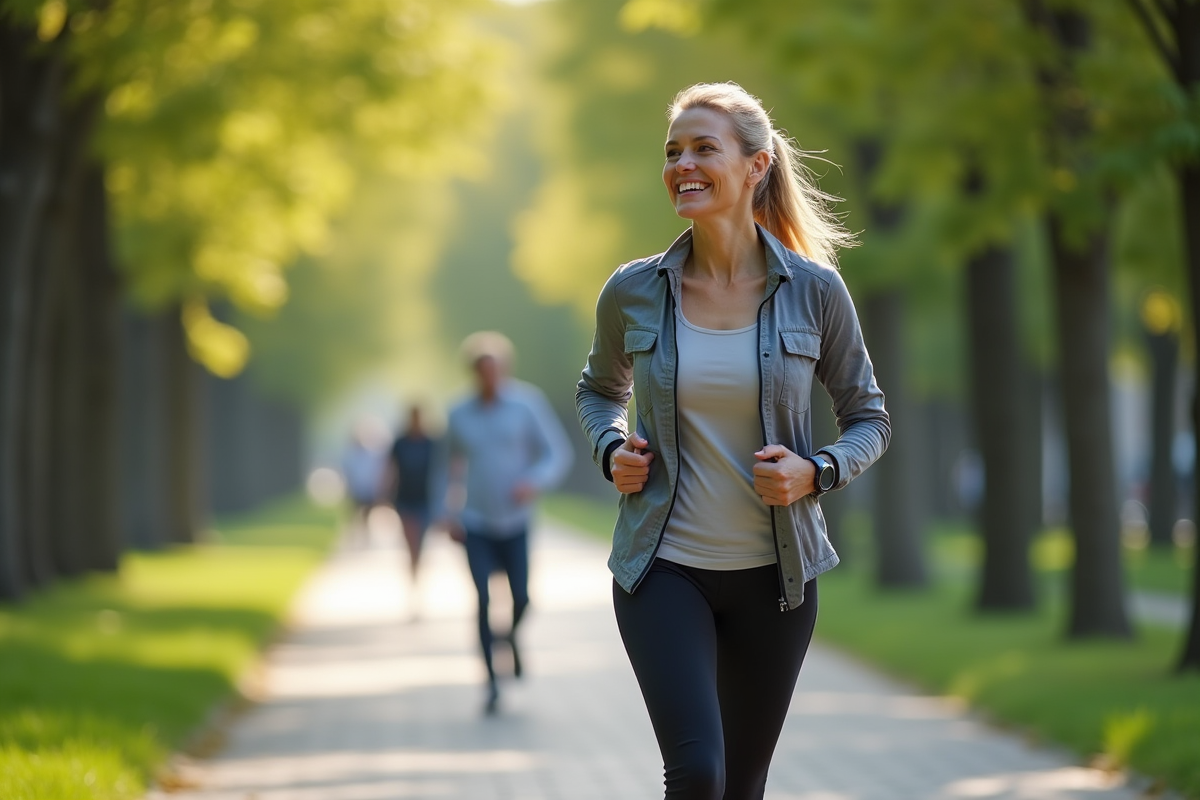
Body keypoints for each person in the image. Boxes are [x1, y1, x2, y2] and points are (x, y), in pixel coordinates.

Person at [576, 82, 890, 800]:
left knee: (742, 786)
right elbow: (598, 391)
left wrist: (819, 471)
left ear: (756, 165)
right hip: (663, 567)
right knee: (698, 776)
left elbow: (870, 417)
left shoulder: (814, 291)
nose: (681, 164)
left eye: (702, 149)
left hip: (777, 579)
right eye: (672, 151)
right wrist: (610, 448)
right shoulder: (633, 291)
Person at [435, 331, 574, 715]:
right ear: (473, 374)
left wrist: (535, 481)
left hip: (515, 519)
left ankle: (509, 636)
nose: (489, 378)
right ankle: (491, 683)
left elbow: (555, 452)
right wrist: (444, 514)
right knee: (481, 597)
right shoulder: (458, 413)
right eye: (482, 372)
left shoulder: (527, 405)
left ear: (505, 370)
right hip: (475, 520)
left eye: (495, 370)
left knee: (522, 597)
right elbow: (444, 468)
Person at [385, 404, 437, 600]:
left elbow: (440, 471)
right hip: (405, 500)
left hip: (426, 500)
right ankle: (413, 577)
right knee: (411, 543)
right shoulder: (400, 443)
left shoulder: (432, 443)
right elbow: (390, 470)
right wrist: (384, 495)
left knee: (420, 543)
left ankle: (418, 574)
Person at [340, 418, 387, 548]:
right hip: (356, 490)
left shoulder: (371, 453)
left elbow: (375, 472)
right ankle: (355, 537)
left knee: (366, 514)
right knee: (354, 515)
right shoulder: (351, 454)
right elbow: (347, 472)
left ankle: (365, 536)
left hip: (367, 490)